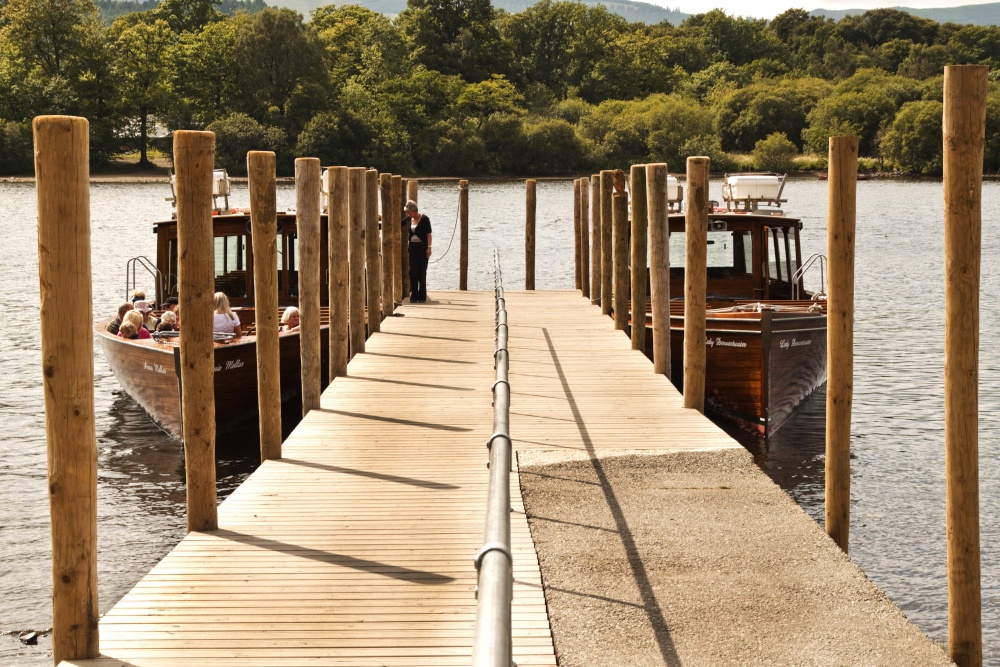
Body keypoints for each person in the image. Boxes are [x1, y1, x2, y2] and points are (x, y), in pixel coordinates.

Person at [403, 200, 432, 303]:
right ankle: (414, 295)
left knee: (422, 271)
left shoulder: (424, 219)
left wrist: (429, 247)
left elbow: (429, 234)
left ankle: (422, 296)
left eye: (408, 212)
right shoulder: (408, 219)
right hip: (412, 248)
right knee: (413, 272)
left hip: (422, 248)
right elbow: (396, 223)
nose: (407, 214)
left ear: (414, 211)